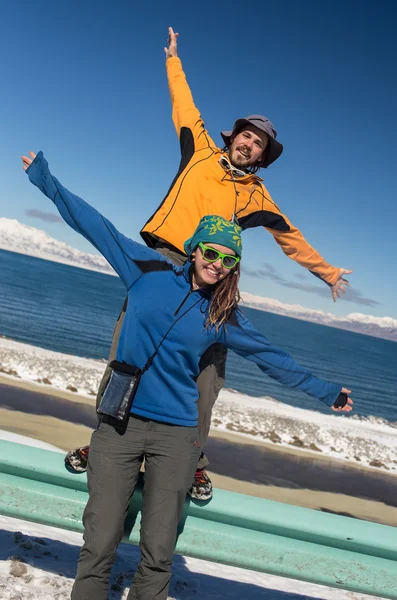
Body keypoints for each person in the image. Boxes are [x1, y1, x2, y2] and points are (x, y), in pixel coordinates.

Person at [22, 149, 352, 600]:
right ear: (195, 248)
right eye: (211, 251)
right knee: (98, 545)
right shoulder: (147, 270)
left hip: (176, 437)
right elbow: (94, 225)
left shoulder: (224, 314)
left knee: (158, 554)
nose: (217, 263)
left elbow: (273, 358)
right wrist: (45, 178)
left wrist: (328, 392)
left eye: (229, 259)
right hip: (120, 427)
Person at [65, 26, 353, 501]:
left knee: (209, 376)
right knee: (127, 357)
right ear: (233, 135)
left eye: (260, 144)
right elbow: (183, 101)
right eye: (247, 136)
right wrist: (173, 59)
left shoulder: (257, 195)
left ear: (263, 157)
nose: (251, 145)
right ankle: (106, 443)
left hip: (214, 278)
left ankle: (194, 461)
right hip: (160, 266)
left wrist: (327, 273)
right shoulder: (198, 149)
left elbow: (289, 237)